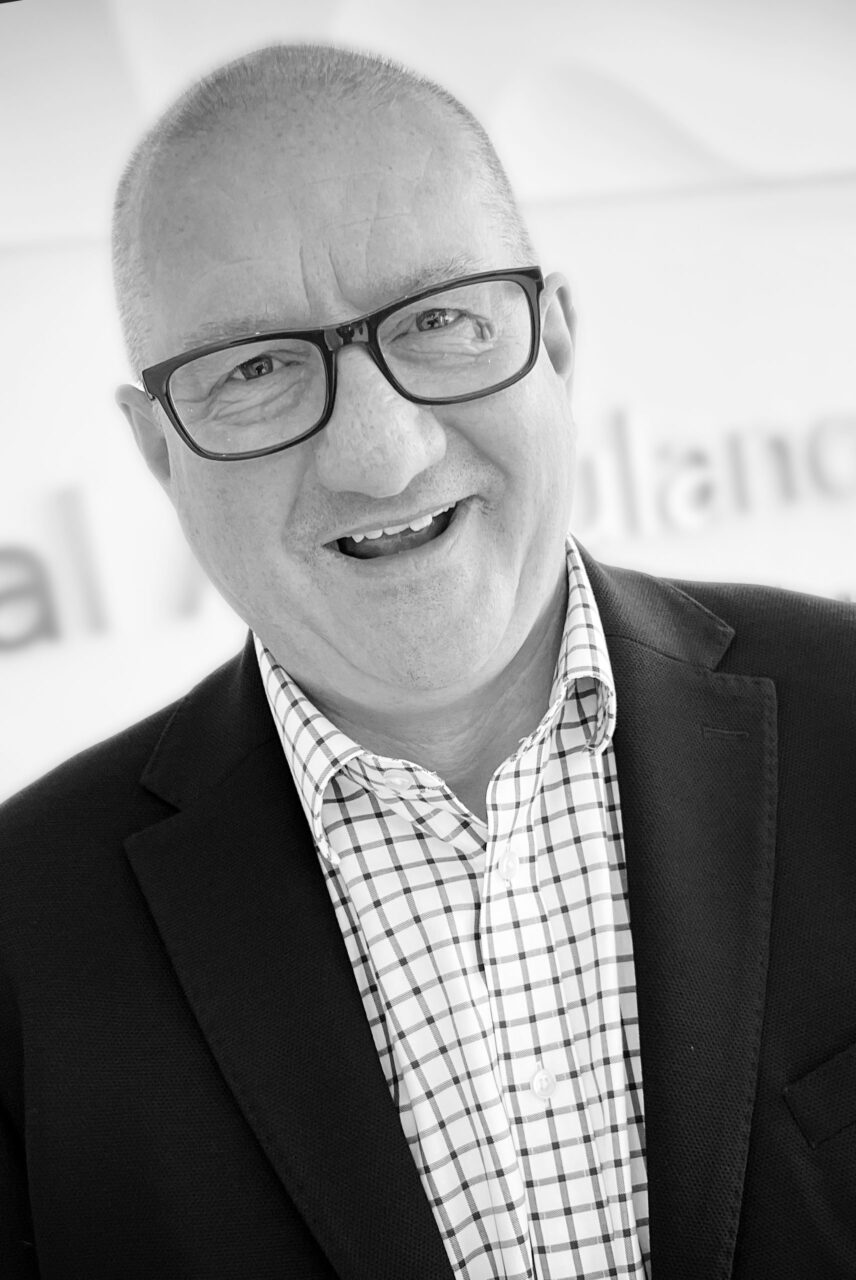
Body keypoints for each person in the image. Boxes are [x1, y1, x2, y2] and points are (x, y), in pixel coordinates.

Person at [0, 41, 854, 1280]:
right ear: (157, 449)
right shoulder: (23, 940)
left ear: (553, 340)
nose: (379, 454)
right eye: (254, 367)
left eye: (439, 320)